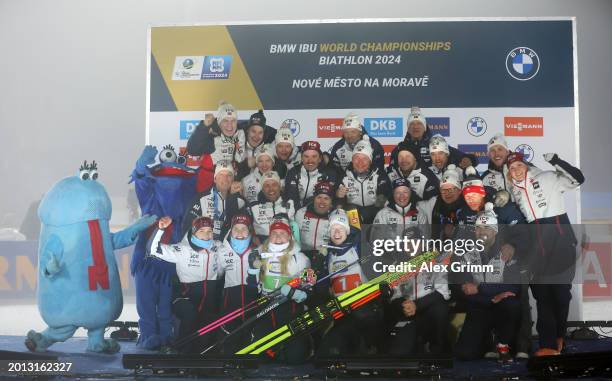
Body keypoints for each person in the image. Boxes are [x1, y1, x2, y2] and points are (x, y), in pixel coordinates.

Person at [507, 152, 585, 356]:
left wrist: (557, 161)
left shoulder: (547, 178)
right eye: (512, 169)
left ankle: (559, 335)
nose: (515, 171)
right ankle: (547, 345)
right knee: (542, 297)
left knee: (560, 296)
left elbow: (578, 178)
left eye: (518, 166)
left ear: (526, 165)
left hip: (561, 245)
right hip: (537, 251)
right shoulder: (513, 190)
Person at [453, 203, 522, 363]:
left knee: (512, 304)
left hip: (501, 307)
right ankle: (486, 341)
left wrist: (480, 288)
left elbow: (513, 286)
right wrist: (491, 296)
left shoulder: (507, 251)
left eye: (487, 228)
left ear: (495, 231)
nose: (482, 232)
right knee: (464, 355)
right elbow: (462, 288)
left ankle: (504, 345)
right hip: (478, 307)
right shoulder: (466, 253)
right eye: (478, 228)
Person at [149, 216, 221, 353]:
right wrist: (160, 229)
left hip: (209, 296)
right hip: (185, 296)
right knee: (190, 314)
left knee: (209, 319)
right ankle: (182, 352)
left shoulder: (217, 246)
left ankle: (204, 354)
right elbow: (152, 249)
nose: (206, 235)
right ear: (193, 232)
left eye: (209, 231)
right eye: (201, 231)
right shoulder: (182, 249)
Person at [317, 210, 381, 356]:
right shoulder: (328, 253)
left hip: (364, 306)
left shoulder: (359, 247)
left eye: (340, 229)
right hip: (341, 309)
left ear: (347, 230)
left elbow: (378, 273)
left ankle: (368, 350)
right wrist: (318, 266)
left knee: (361, 321)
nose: (337, 233)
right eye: (333, 229)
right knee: (331, 346)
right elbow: (321, 287)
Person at [250, 217, 312, 363]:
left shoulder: (300, 258)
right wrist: (253, 265)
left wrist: (298, 293)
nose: (278, 237)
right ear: (269, 235)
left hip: (290, 306)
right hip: (266, 305)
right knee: (260, 351)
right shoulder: (260, 254)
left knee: (295, 353)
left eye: (282, 233)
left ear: (289, 236)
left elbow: (311, 285)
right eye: (274, 233)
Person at [385, 228, 451, 356]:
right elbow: (394, 295)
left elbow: (443, 292)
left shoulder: (435, 261)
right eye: (407, 243)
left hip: (429, 311)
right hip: (408, 313)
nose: (411, 246)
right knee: (400, 352)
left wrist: (418, 305)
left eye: (415, 242)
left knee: (440, 309)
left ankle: (437, 348)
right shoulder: (396, 266)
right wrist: (403, 304)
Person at [213, 213, 261, 352]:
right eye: (236, 229)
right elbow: (217, 274)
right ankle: (228, 357)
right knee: (229, 333)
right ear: (230, 230)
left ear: (250, 231)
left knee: (250, 331)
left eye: (244, 229)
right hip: (230, 297)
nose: (240, 232)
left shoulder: (259, 250)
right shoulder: (222, 250)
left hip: (252, 296)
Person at [389, 106, 474, 168]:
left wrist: (468, 159)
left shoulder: (436, 144)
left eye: (419, 123)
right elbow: (392, 171)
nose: (415, 127)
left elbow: (466, 158)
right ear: (408, 128)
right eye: (412, 124)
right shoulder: (400, 148)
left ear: (425, 127)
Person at [183, 162, 246, 241]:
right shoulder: (201, 198)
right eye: (221, 175)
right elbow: (188, 226)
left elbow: (237, 224)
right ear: (215, 179)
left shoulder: (240, 200)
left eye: (229, 175)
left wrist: (232, 197)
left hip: (228, 246)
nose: (225, 179)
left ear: (233, 179)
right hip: (205, 244)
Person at [336, 136, 391, 224]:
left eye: (364, 158)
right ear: (352, 160)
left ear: (370, 161)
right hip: (354, 218)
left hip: (376, 215)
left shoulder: (380, 174)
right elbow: (339, 204)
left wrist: (366, 215)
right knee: (349, 209)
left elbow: (382, 198)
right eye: (357, 158)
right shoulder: (344, 176)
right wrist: (338, 195)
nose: (360, 162)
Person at [284, 141, 338, 210]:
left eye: (314, 156)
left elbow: (327, 200)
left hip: (318, 212)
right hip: (295, 211)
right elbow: (290, 197)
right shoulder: (293, 172)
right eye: (306, 156)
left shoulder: (329, 174)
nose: (310, 160)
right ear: (302, 158)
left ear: (319, 159)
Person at [419, 164, 465, 239]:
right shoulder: (433, 202)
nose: (447, 193)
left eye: (451, 189)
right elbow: (415, 205)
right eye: (443, 190)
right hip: (437, 247)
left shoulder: (469, 203)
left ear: (459, 191)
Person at [248, 171, 296, 243]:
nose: (271, 189)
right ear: (262, 189)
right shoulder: (253, 207)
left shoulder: (291, 203)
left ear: (280, 187)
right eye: (267, 186)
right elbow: (242, 226)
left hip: (286, 246)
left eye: (274, 185)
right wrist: (252, 238)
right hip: (263, 248)